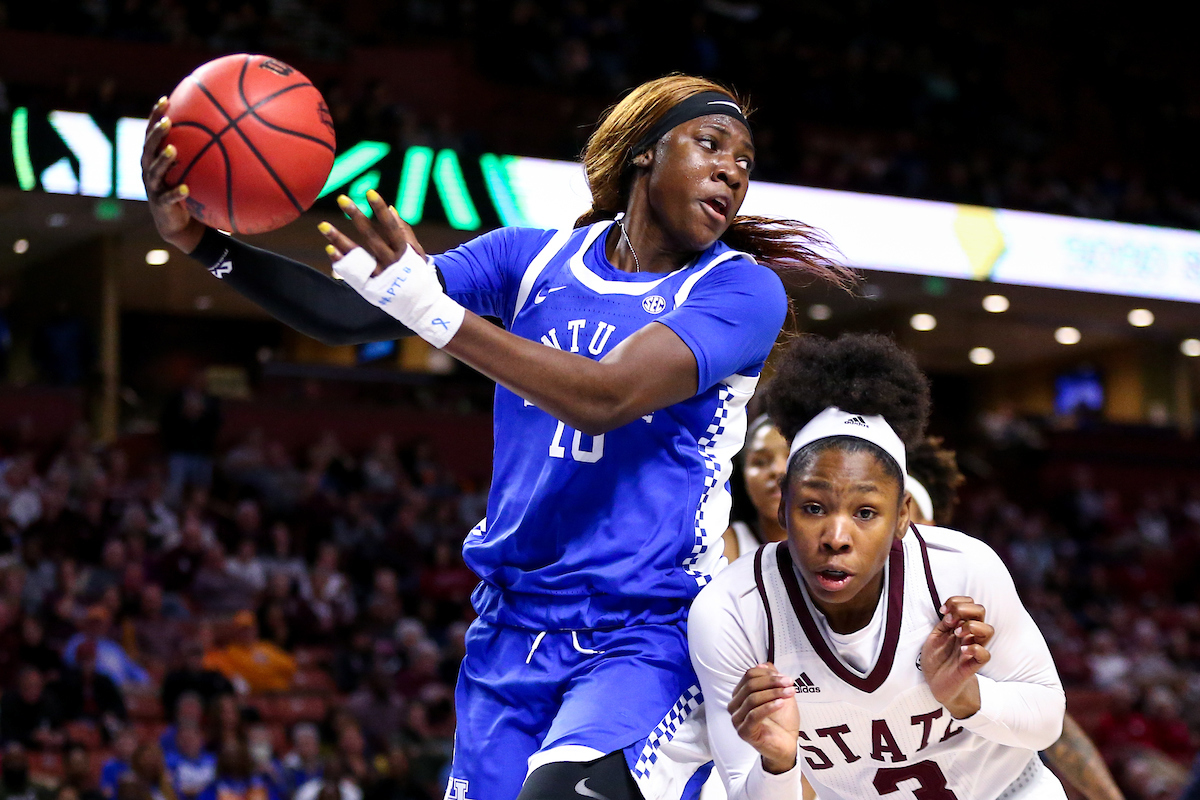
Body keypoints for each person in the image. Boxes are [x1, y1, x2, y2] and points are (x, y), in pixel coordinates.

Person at [142, 74, 849, 800]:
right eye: (711, 144)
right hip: (511, 628)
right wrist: (202, 242)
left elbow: (605, 396)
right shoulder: (528, 260)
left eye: (745, 161)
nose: (733, 169)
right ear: (644, 152)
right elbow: (351, 317)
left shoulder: (741, 290)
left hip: (646, 630)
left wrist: (435, 316)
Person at [689, 333, 1067, 799]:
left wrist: (967, 697)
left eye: (865, 512)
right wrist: (777, 763)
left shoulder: (962, 570)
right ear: (783, 505)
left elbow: (1047, 718)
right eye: (813, 507)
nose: (836, 537)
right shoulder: (731, 612)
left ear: (903, 515)